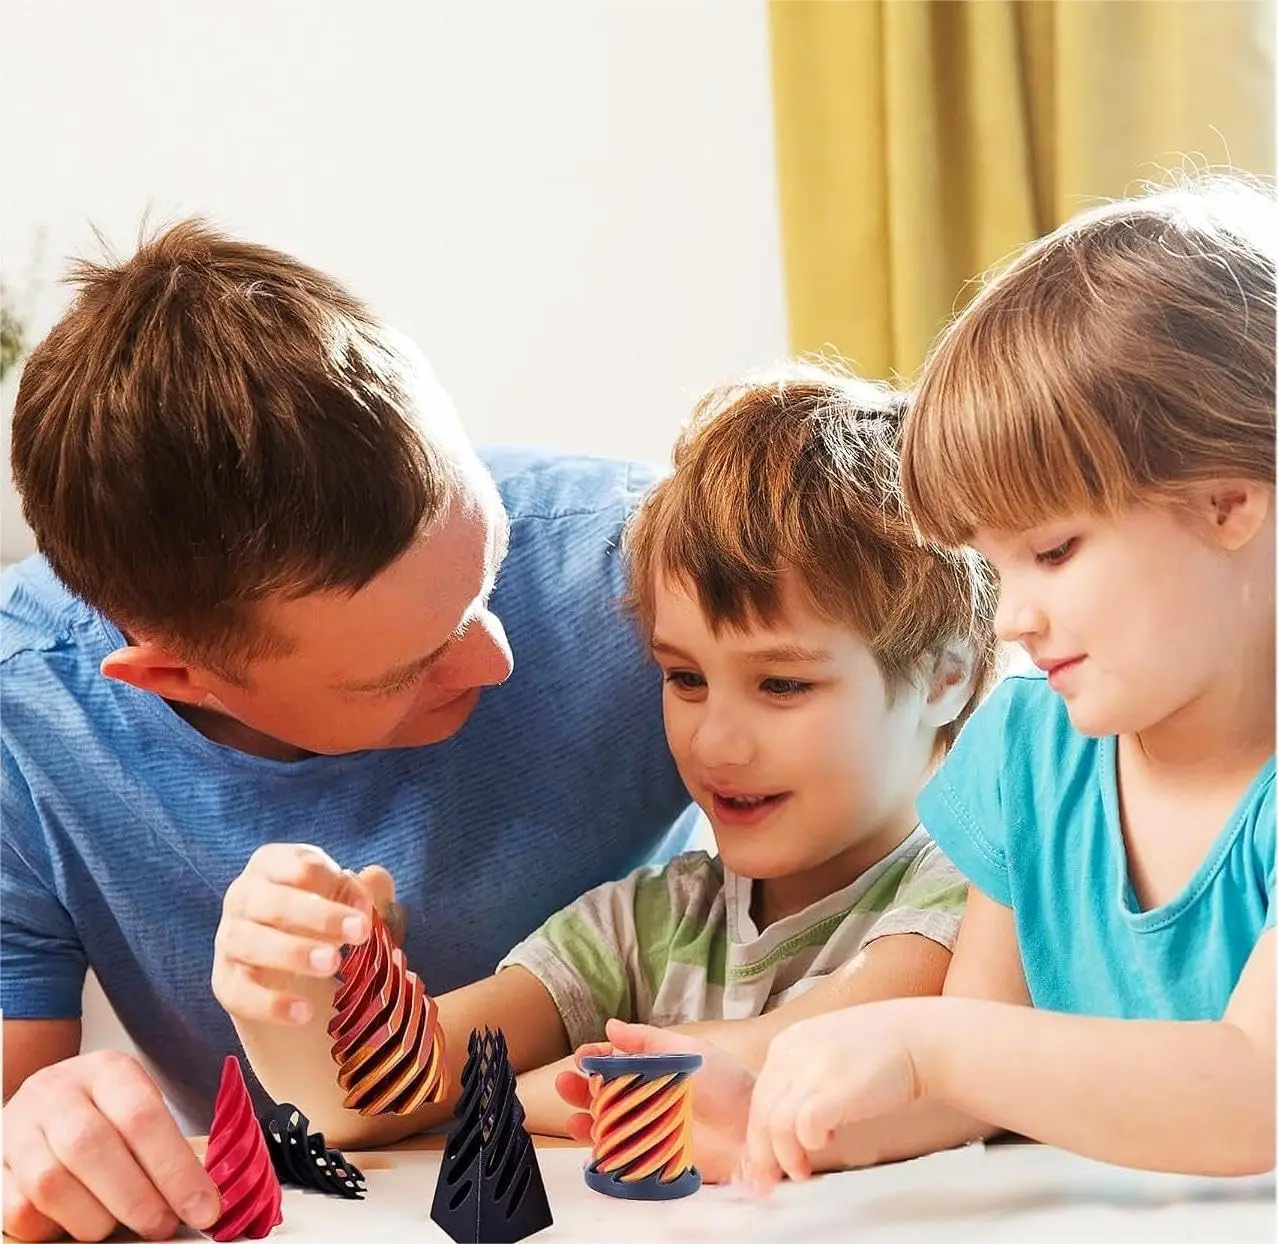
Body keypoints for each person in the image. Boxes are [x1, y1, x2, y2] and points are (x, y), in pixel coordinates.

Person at [0, 221, 698, 1243]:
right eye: (403, 670)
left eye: (488, 568)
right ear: (175, 676)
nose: (497, 658)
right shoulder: (25, 721)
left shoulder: (649, 563)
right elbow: (17, 1132)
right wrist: (38, 1130)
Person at [574, 176, 1276, 1186]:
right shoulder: (1032, 751)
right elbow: (970, 1087)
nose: (1018, 615)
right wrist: (783, 1116)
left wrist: (924, 1038)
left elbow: (1252, 1094)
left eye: (1056, 548)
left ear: (1227, 502)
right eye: (998, 564)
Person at [212, 363, 1000, 1169]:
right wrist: (297, 982)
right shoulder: (640, 926)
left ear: (948, 677)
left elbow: (811, 1052)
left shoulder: (980, 884)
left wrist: (524, 1093)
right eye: (686, 678)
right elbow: (367, 1098)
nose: (716, 743)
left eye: (783, 684)